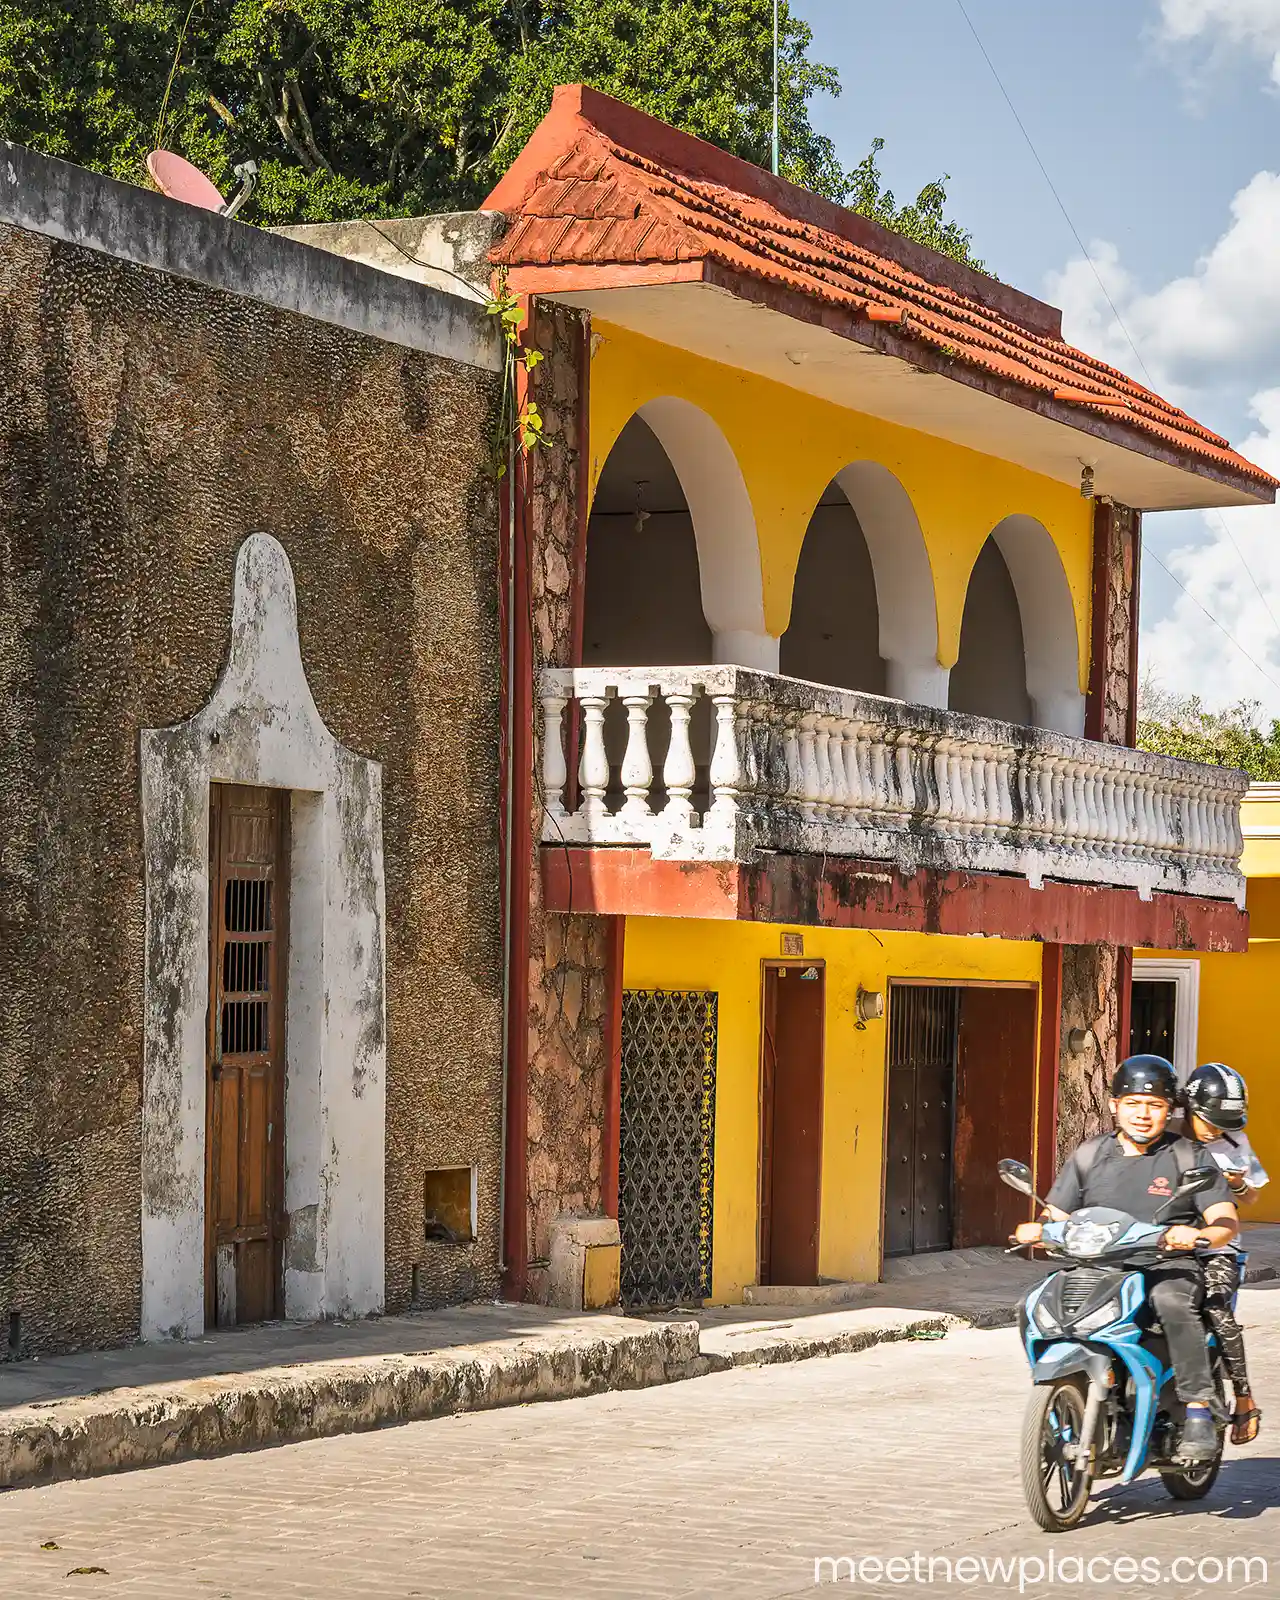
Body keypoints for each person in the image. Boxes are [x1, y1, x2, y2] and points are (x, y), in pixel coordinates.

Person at [1014, 1054, 1239, 1462]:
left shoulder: (1188, 1156)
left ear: (1169, 1110)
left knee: (1173, 1302)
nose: (1142, 1114)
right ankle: (1069, 1386)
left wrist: (1200, 1234)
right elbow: (1057, 1212)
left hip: (1167, 1264)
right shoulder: (1090, 1154)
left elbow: (1225, 1219)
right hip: (1100, 1265)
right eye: (1133, 1103)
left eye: (1154, 1106)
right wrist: (1039, 1227)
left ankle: (1197, 1410)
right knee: (1035, 1301)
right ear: (1115, 1105)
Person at [1184, 1061, 1267, 1445]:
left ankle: (1244, 1396)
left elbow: (1252, 1194)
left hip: (1217, 1247)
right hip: (1159, 1241)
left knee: (1216, 1308)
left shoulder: (1236, 1144)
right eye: (1210, 1120)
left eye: (1224, 1123)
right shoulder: (1164, 1136)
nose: (1216, 1130)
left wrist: (1236, 1185)